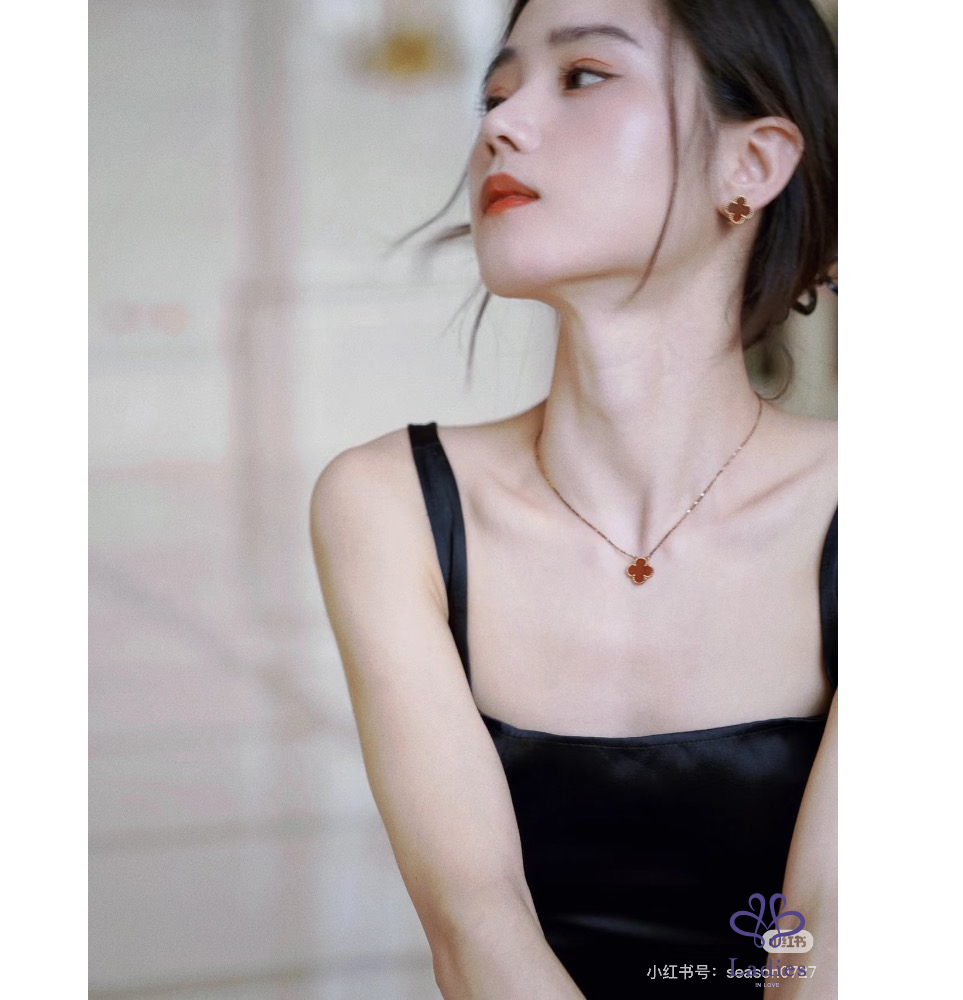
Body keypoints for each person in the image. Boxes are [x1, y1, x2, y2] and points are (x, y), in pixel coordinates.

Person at [311, 0, 837, 996]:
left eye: (584, 76)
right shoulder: (387, 504)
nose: (500, 126)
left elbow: (827, 949)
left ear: (752, 163)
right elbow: (477, 932)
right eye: (495, 93)